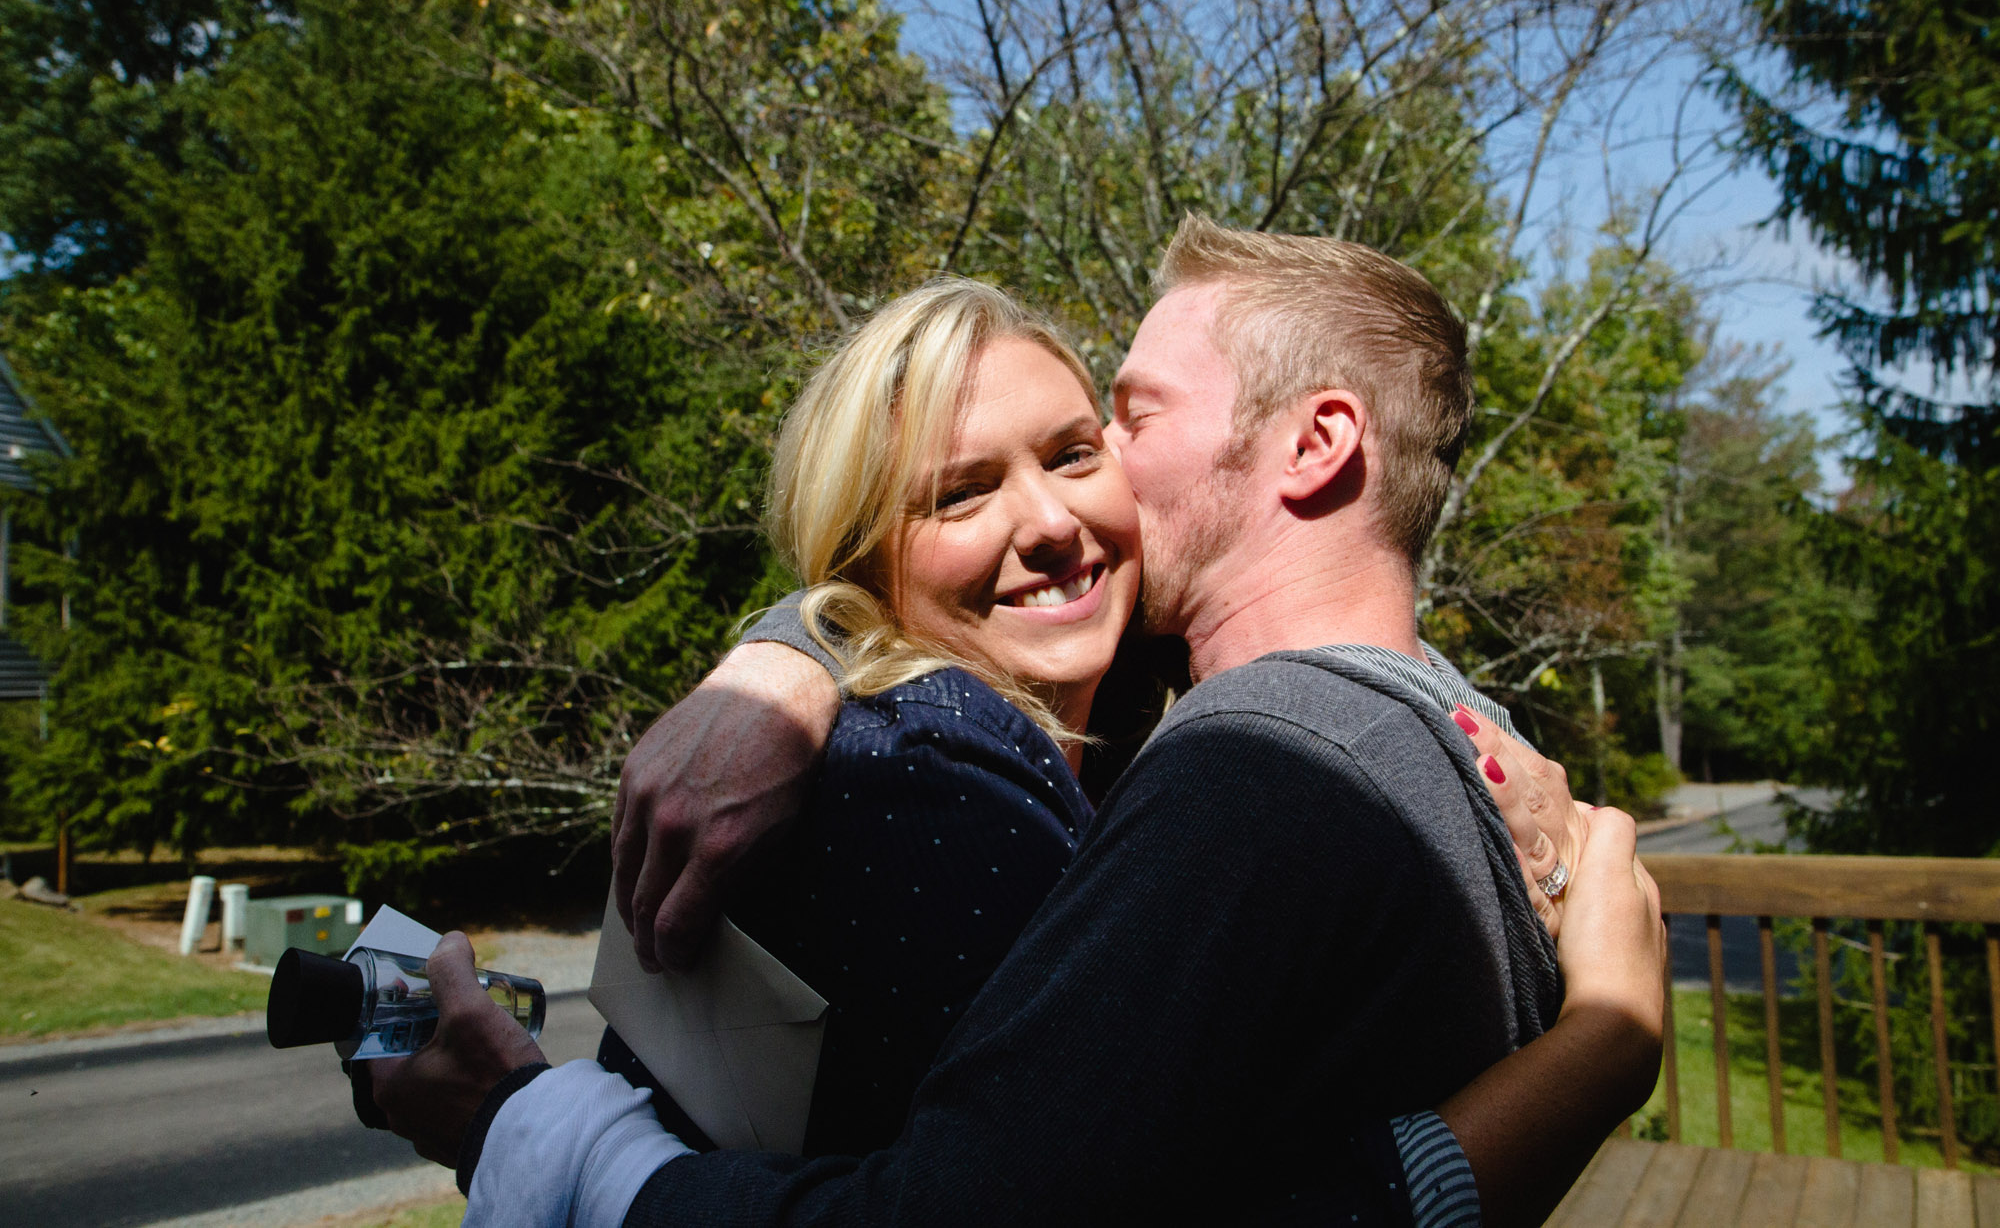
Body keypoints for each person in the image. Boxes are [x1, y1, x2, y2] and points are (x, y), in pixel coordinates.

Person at [368, 218, 1666, 1226]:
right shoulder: (1409, 739)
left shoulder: (1241, 749)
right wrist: (794, 652)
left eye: (1106, 434)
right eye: (960, 490)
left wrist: (544, 1135)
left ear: (1316, 446)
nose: (1059, 512)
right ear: (876, 554)